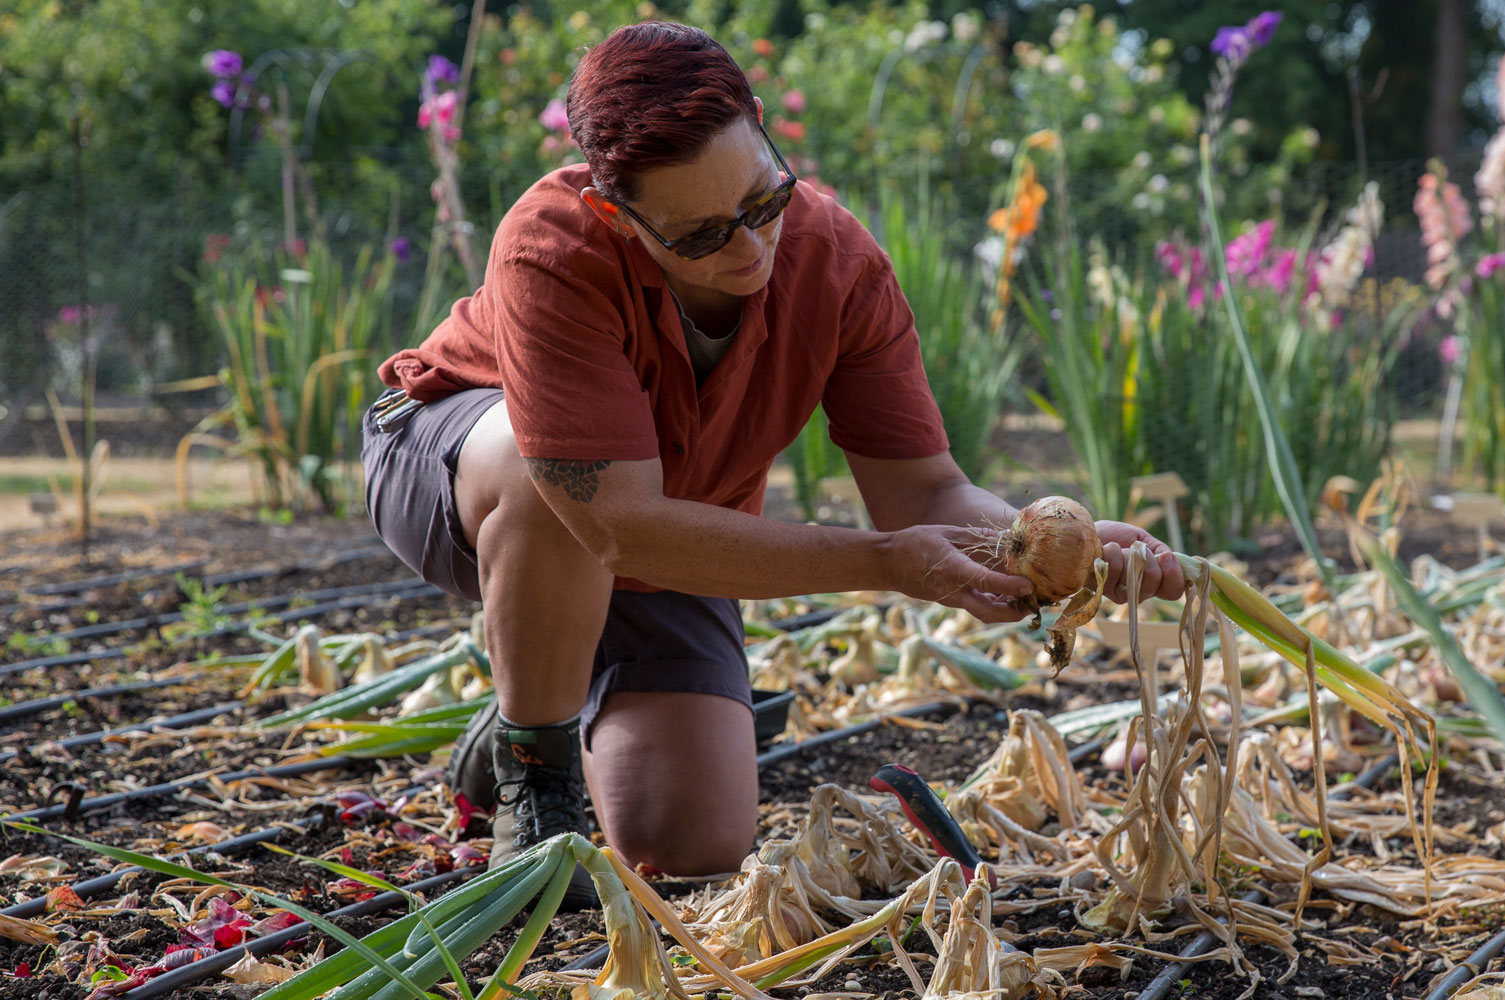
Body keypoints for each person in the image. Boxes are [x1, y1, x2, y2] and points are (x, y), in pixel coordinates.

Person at [361, 20, 1183, 908]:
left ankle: (527, 695)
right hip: (465, 472)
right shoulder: (554, 245)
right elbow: (613, 524)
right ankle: (536, 771)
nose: (750, 250)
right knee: (539, 480)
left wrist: (1046, 548)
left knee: (691, 843)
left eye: (763, 201)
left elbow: (923, 490)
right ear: (614, 210)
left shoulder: (836, 258)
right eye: (702, 234)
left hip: (672, 530)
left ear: (761, 123)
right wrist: (886, 564)